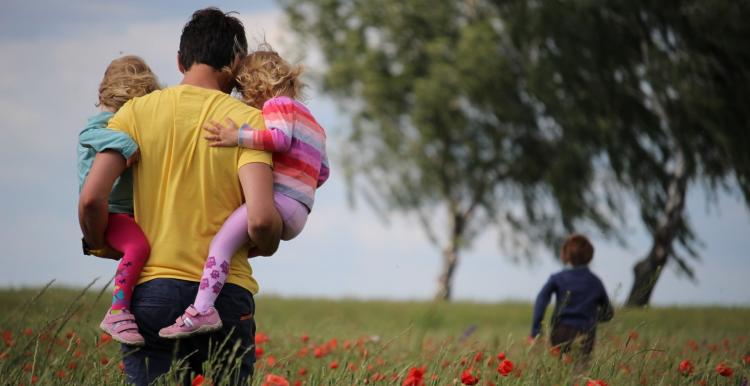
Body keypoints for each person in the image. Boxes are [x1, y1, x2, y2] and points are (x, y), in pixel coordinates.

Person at [78, 7, 282, 385]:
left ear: (179, 60)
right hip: (225, 296)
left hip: (151, 292)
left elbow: (92, 199)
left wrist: (97, 242)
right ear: (235, 63)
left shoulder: (134, 114)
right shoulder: (248, 123)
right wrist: (265, 245)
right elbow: (262, 219)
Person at [159, 46, 330, 339]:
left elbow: (278, 139)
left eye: (243, 89)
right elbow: (323, 172)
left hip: (279, 202)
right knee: (235, 246)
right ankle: (212, 293)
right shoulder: (314, 123)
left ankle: (202, 310)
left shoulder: (277, 106)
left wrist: (235, 136)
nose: (242, 98)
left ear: (257, 84)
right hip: (300, 210)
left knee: (220, 245)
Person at [77, 55, 159, 346]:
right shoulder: (103, 125)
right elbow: (89, 135)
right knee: (138, 246)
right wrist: (127, 144)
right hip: (111, 212)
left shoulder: (120, 122)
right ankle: (118, 310)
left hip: (126, 212)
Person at [529, 234, 614, 360]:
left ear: (566, 254)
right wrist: (591, 317)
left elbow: (541, 301)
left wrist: (536, 331)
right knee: (580, 371)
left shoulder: (558, 278)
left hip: (560, 331)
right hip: (586, 333)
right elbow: (608, 313)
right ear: (589, 256)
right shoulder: (595, 282)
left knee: (561, 370)